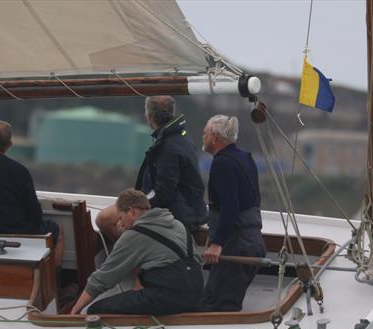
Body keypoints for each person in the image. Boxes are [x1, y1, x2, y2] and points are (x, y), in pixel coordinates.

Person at [70, 189, 203, 316]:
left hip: (168, 296)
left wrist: (75, 311)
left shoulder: (134, 235)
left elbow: (103, 279)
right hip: (196, 291)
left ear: (132, 212)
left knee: (96, 310)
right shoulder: (177, 224)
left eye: (120, 218)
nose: (120, 223)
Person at [95, 96, 207, 242]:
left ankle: (132, 256)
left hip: (178, 213)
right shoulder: (180, 137)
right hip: (190, 209)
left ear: (149, 116)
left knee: (104, 218)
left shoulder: (168, 147)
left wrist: (137, 203)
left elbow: (164, 194)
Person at [0, 120, 62, 261]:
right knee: (56, 228)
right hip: (14, 233)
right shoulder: (19, 171)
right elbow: (34, 212)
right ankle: (55, 279)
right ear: (9, 145)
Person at [200, 115, 266, 312]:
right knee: (214, 300)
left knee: (220, 307)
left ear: (214, 137)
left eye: (204, 133)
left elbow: (230, 206)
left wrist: (217, 244)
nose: (202, 136)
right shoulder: (245, 158)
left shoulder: (223, 164)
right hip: (252, 241)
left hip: (236, 245)